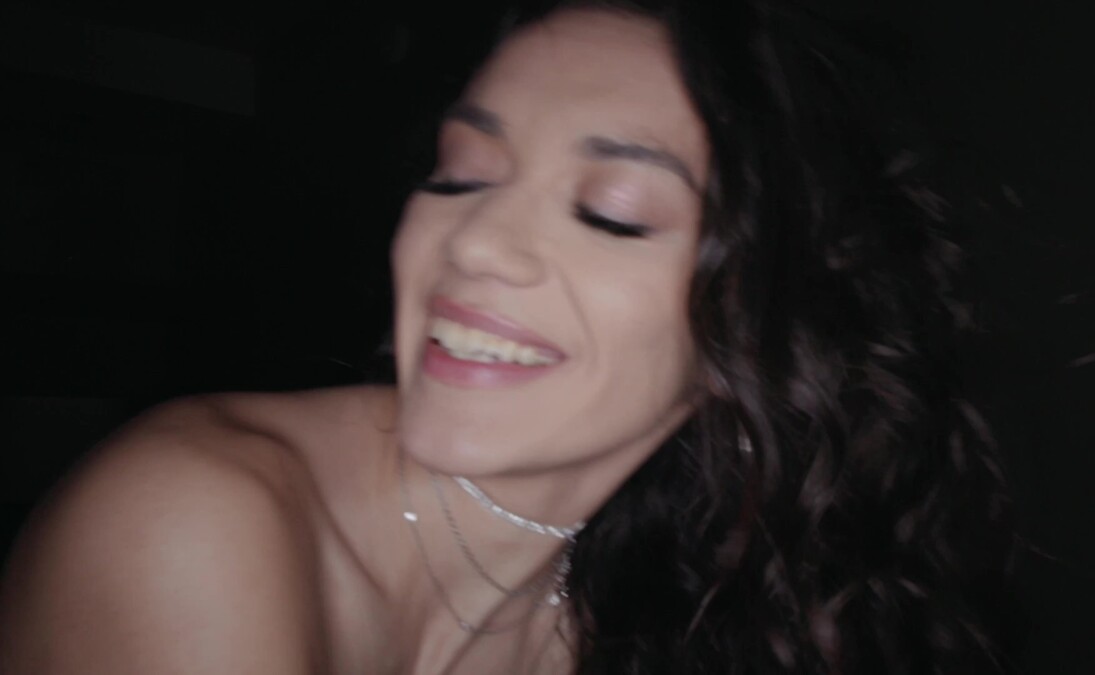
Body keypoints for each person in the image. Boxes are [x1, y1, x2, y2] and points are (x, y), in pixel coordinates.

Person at [0, 1, 1013, 673]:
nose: (474, 240)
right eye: (461, 174)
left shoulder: (649, 602)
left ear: (759, 327)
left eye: (612, 212)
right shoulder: (192, 519)